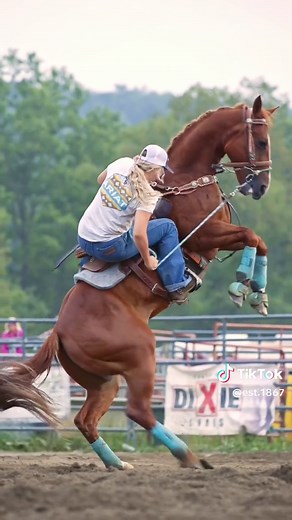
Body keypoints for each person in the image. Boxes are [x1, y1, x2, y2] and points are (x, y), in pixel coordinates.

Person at [77, 144, 199, 303]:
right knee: (168, 227)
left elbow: (100, 180)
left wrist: (119, 195)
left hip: (83, 237)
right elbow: (139, 234)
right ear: (155, 169)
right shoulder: (148, 195)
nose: (162, 173)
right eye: (162, 169)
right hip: (109, 248)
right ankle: (176, 285)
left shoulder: (122, 163)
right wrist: (148, 260)